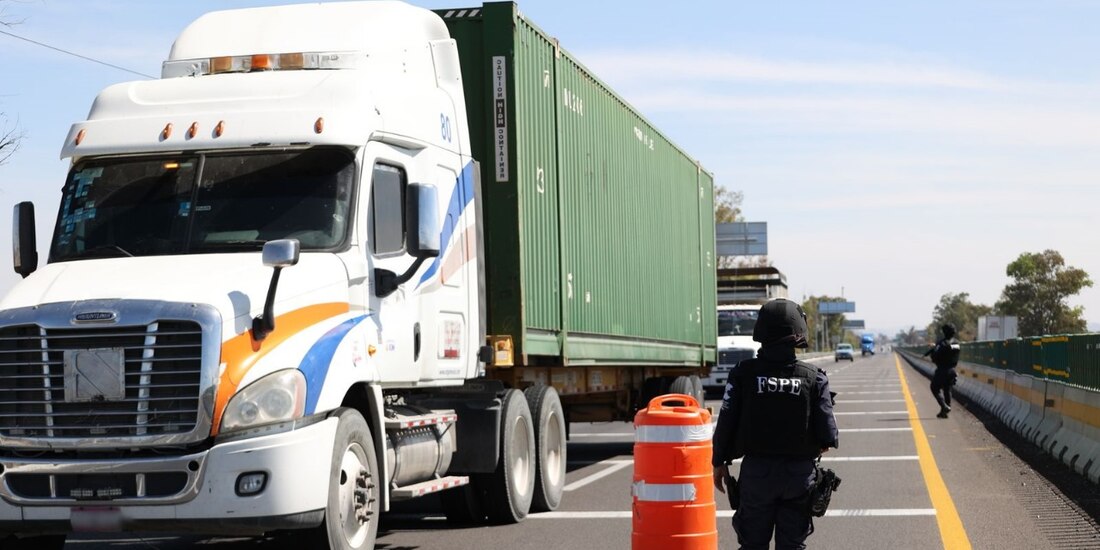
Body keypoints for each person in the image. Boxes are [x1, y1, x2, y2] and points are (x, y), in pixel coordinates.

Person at [711, 298, 840, 550]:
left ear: (760, 330)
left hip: (757, 475)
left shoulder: (742, 373)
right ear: (799, 331)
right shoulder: (815, 379)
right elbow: (828, 436)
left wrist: (719, 463)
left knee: (752, 545)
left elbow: (725, 422)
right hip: (799, 477)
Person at [922, 323, 960, 418]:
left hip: (942, 370)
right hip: (952, 370)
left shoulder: (942, 343)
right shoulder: (956, 343)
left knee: (934, 387)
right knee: (947, 390)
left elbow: (936, 356)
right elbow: (949, 349)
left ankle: (944, 406)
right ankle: (945, 411)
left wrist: (933, 350)